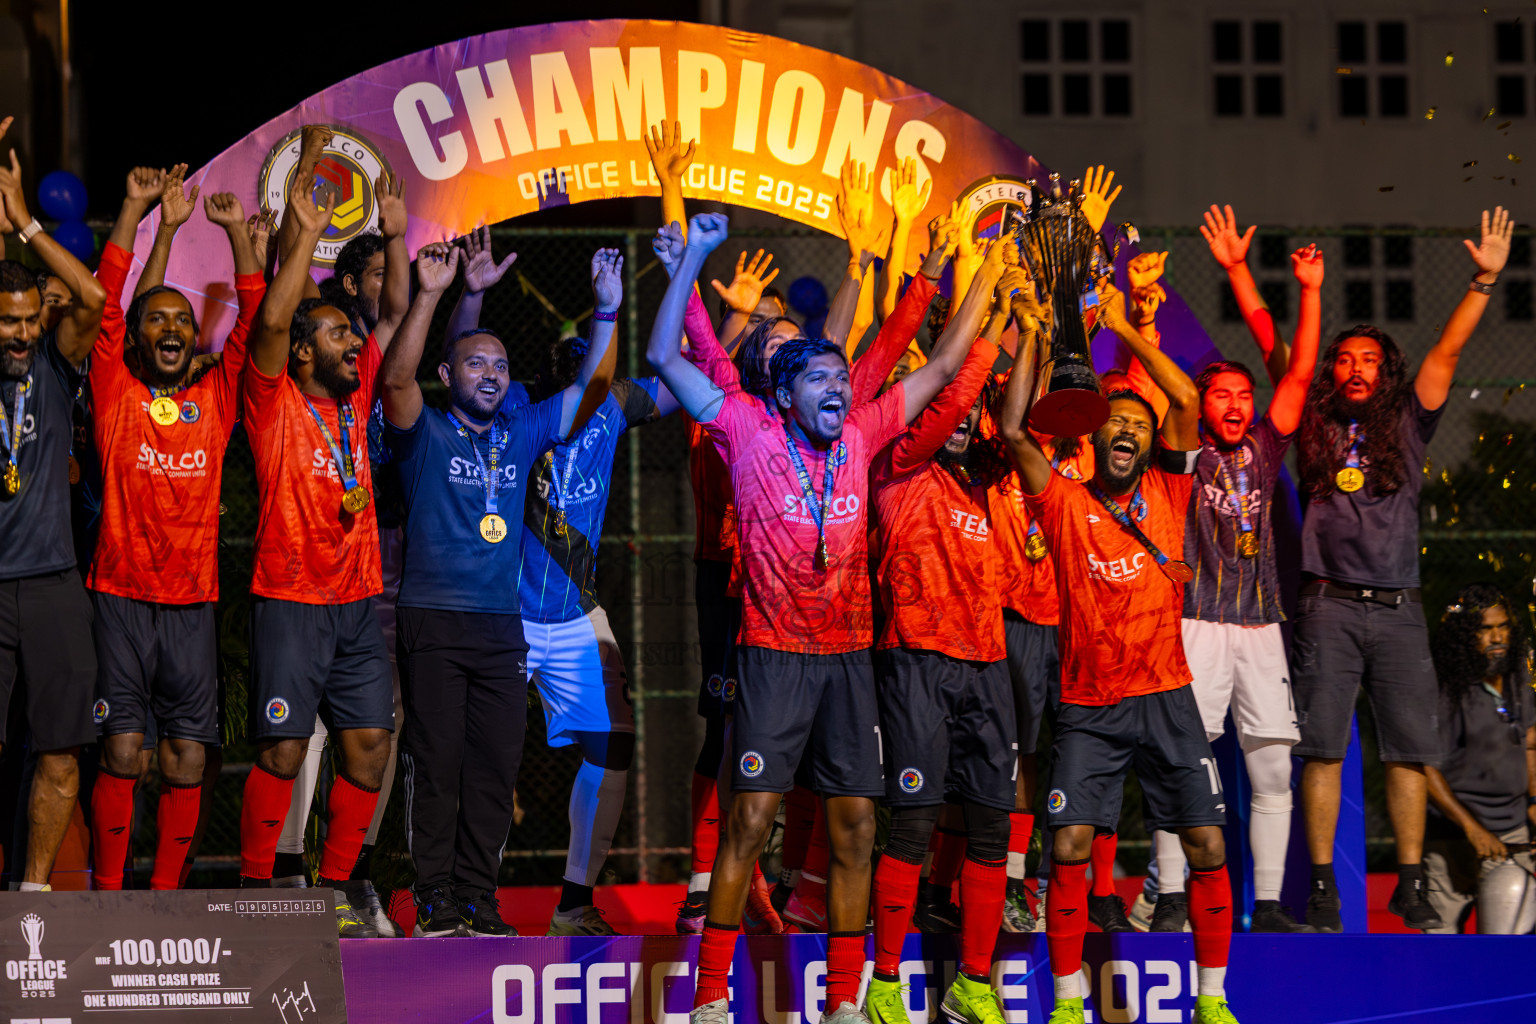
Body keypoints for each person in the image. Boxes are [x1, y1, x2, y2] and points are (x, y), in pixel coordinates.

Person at [651, 210, 1001, 1024]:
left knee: (855, 828)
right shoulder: (745, 427)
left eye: (843, 378)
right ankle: (709, 997)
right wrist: (691, 259)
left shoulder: (864, 432)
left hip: (846, 660)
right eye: (819, 379)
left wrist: (982, 272)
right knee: (750, 822)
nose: (839, 388)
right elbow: (665, 356)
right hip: (772, 656)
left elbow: (943, 361)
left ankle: (846, 1002)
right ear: (784, 394)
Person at [999, 285, 1238, 1024]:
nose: (1129, 430)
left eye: (1139, 424)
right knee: (1069, 842)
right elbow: (1012, 431)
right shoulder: (1065, 501)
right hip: (1090, 703)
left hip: (1166, 695)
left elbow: (1185, 399)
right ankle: (1069, 1004)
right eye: (1116, 423)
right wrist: (1034, 336)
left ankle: (1213, 1001)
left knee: (1206, 844)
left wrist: (1125, 330)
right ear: (1095, 437)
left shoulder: (1171, 488)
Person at [379, 241, 621, 936]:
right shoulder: (424, 432)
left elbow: (592, 391)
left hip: (499, 625)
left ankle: (478, 897)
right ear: (447, 373)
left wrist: (607, 309)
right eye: (475, 363)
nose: (490, 374)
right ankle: (434, 897)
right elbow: (395, 380)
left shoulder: (520, 432)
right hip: (432, 618)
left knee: (493, 766)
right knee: (438, 761)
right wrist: (432, 294)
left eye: (501, 366)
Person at [1293, 207, 1513, 932]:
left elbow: (1446, 351)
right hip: (1327, 603)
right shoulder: (1314, 422)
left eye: (1370, 359)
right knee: (1323, 748)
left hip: (1398, 608)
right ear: (1333, 371)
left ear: (1387, 372)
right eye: (1345, 359)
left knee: (1409, 752)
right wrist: (1308, 291)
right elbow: (1285, 359)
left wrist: (1483, 280)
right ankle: (1323, 890)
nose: (1356, 368)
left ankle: (1410, 885)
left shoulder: (1409, 421)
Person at [234, 169, 405, 937]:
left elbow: (394, 312)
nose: (354, 342)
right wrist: (300, 236)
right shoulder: (270, 401)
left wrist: (396, 237)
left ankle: (335, 892)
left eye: (350, 335)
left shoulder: (356, 396)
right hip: (290, 600)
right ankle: (254, 892)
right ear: (302, 353)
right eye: (338, 334)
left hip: (357, 603)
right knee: (281, 751)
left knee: (369, 748)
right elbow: (272, 322)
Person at [86, 166, 263, 892]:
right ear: (137, 338)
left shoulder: (216, 398)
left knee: (187, 757)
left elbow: (255, 326)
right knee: (122, 750)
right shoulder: (114, 391)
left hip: (192, 605)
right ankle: (107, 897)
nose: (170, 328)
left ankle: (164, 902)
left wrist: (235, 237)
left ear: (195, 338)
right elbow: (107, 304)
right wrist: (137, 212)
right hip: (119, 598)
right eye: (156, 319)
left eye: (182, 320)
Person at [1142, 230, 1324, 933]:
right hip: (1196, 621)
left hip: (1260, 625)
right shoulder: (1186, 449)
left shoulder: (1265, 446)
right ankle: (1171, 897)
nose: (1236, 405)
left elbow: (1299, 375)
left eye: (1244, 395)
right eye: (1222, 395)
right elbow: (1177, 397)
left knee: (1272, 768)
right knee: (1182, 760)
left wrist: (1309, 291)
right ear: (1203, 402)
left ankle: (1270, 906)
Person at [865, 274, 1019, 1024]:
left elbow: (1012, 413)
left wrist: (1029, 324)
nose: (954, 413)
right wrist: (989, 320)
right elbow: (952, 399)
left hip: (988, 663)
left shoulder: (979, 483)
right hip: (916, 657)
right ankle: (885, 983)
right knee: (915, 823)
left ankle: (973, 984)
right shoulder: (896, 462)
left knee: (991, 827)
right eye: (927, 394)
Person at [0, 115, 106, 892]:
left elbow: (94, 297)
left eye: (32, 319)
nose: (23, 333)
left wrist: (25, 224)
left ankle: (32, 899)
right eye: (8, 322)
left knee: (62, 751)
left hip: (52, 586)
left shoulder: (53, 367)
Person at [1423, 584, 1536, 934]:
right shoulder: (1445, 687)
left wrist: (1534, 803)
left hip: (1512, 835)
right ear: (1464, 635)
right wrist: (1473, 829)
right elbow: (1424, 768)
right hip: (1452, 838)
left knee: (1506, 947)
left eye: (1502, 627)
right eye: (1485, 629)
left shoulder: (1518, 676)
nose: (1497, 637)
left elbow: (1530, 744)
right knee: (1442, 948)